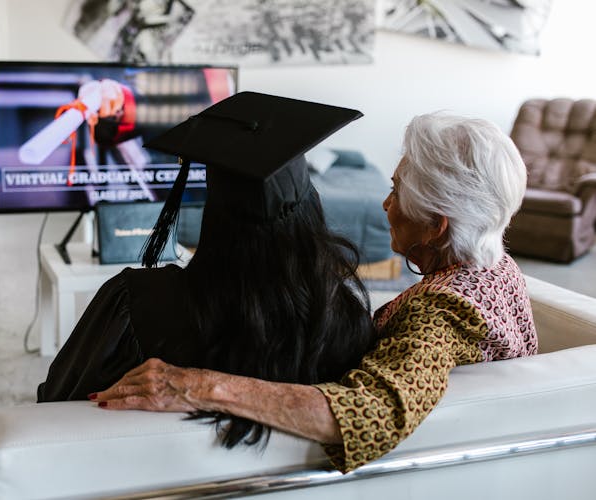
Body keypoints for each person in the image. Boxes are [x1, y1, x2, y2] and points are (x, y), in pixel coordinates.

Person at [92, 112, 539, 473]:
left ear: (437, 224)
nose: (387, 204)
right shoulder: (500, 270)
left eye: (396, 191)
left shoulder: (444, 313)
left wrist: (194, 384)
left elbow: (376, 411)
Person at [38, 91, 378, 448]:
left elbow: (56, 404)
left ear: (214, 216)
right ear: (311, 210)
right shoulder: (345, 323)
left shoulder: (136, 302)